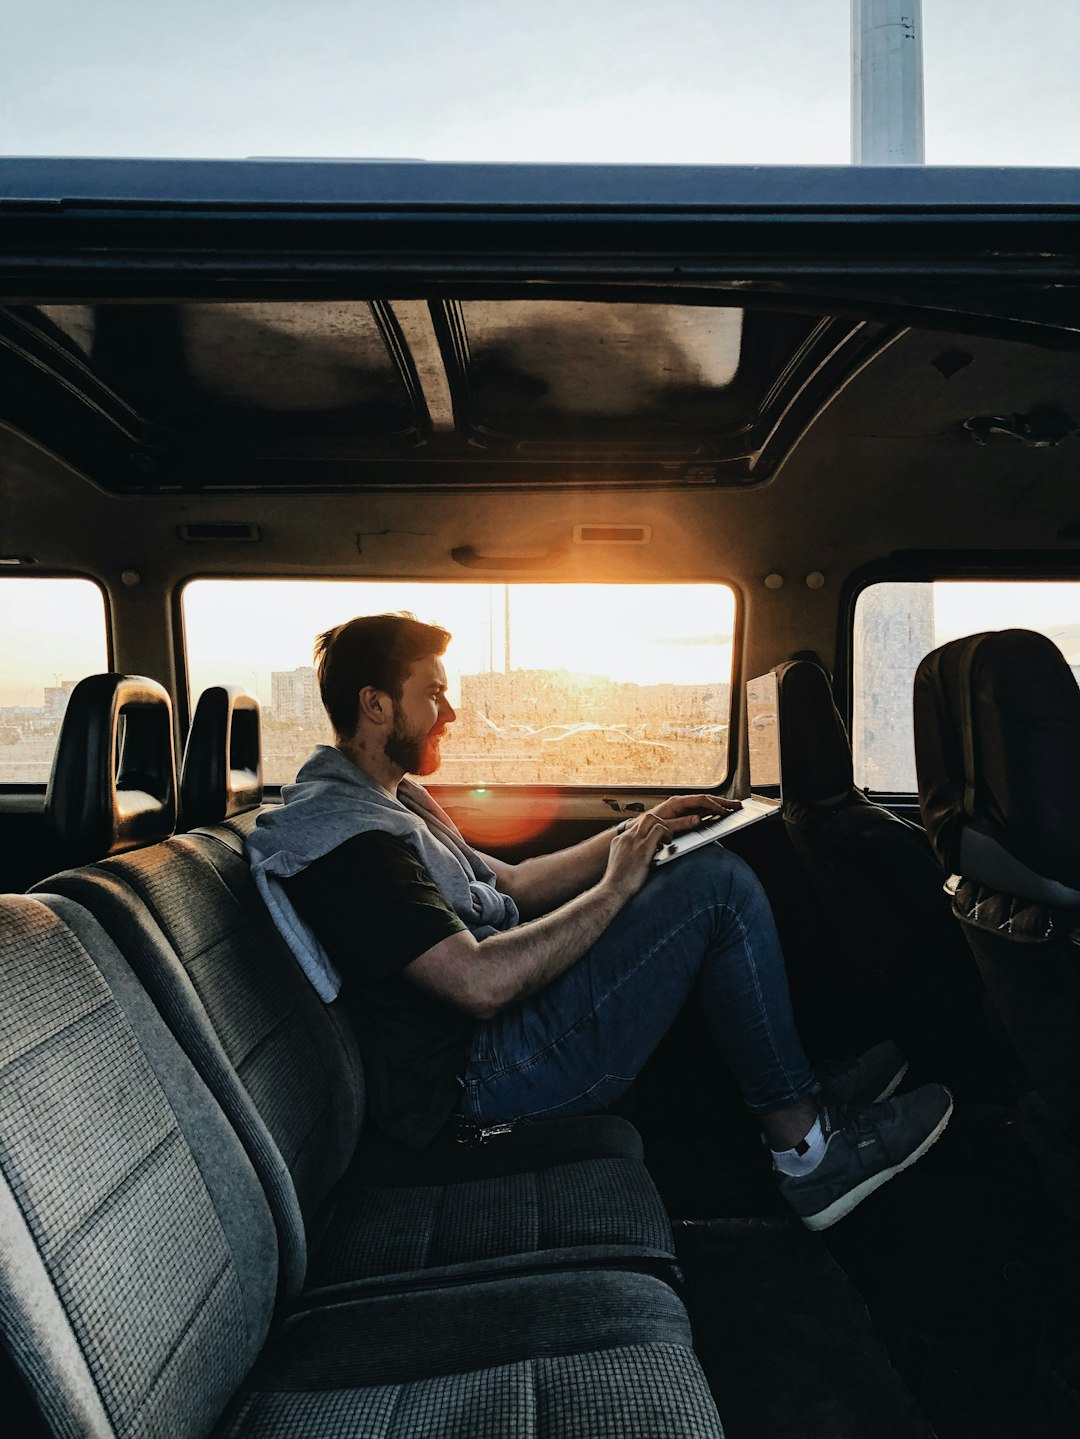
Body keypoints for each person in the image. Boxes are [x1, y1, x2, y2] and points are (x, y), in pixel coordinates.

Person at [247, 612, 953, 1231]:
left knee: (694, 874)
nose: (451, 711)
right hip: (483, 1076)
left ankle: (796, 1089)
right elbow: (479, 983)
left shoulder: (393, 801)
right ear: (375, 704)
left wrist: (637, 832)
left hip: (501, 1037)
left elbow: (514, 883)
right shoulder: (351, 842)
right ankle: (808, 1149)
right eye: (433, 693)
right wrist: (619, 886)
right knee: (714, 890)